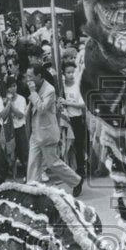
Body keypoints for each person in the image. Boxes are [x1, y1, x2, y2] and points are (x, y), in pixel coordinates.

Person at [25, 65, 83, 195]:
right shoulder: (35, 87)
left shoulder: (49, 90)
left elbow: (41, 108)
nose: (28, 79)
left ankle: (76, 181)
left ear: (39, 76)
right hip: (35, 132)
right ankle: (32, 190)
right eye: (27, 76)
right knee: (33, 163)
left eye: (30, 76)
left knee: (53, 163)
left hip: (47, 133)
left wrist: (33, 92)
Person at [57, 61, 89, 181]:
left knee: (78, 145)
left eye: (73, 72)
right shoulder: (61, 86)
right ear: (63, 74)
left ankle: (81, 169)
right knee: (65, 146)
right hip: (65, 120)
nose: (71, 75)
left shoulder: (78, 86)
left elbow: (83, 104)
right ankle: (68, 170)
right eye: (68, 72)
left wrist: (68, 103)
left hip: (76, 119)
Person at [0, 77, 29, 177]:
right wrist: (8, 103)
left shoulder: (21, 99)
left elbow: (20, 114)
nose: (13, 89)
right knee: (5, 156)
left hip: (19, 128)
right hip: (7, 129)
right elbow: (3, 115)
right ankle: (1, 180)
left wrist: (10, 104)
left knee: (24, 154)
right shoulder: (0, 99)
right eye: (10, 87)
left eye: (14, 86)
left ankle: (27, 176)